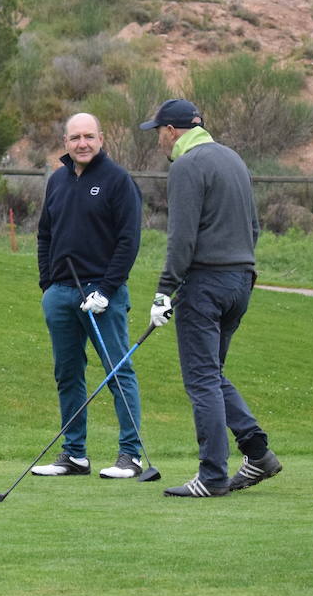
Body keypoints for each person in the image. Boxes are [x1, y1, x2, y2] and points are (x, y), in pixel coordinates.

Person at [140, 98, 277, 498]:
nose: (159, 142)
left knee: (201, 379)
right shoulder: (233, 159)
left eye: (158, 134)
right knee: (212, 374)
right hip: (240, 281)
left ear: (170, 131)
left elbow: (181, 237)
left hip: (205, 285)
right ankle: (258, 453)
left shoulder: (187, 165)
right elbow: (253, 226)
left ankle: (212, 476)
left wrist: (164, 290)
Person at [32, 113, 148, 479]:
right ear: (65, 142)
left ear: (101, 139)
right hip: (61, 293)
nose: (82, 143)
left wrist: (107, 290)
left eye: (89, 136)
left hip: (103, 294)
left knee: (117, 371)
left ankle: (131, 455)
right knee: (67, 373)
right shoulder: (57, 181)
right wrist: (47, 284)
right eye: (75, 137)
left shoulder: (117, 180)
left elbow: (129, 241)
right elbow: (45, 236)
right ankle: (74, 455)